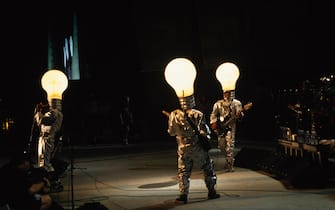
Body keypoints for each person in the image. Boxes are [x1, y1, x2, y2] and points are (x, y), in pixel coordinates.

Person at [0, 151, 65, 210]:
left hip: (14, 200)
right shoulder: (17, 174)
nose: (29, 165)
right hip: (13, 204)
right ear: (24, 163)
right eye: (28, 162)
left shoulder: (7, 169)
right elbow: (31, 190)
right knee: (47, 200)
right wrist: (43, 182)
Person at [32, 101, 64, 192]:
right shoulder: (52, 113)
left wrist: (38, 113)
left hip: (47, 138)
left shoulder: (54, 113)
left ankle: (53, 182)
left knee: (45, 163)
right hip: (45, 138)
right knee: (43, 162)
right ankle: (50, 182)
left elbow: (42, 121)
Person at [210, 90, 244, 172]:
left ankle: (230, 164)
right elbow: (213, 114)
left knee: (230, 145)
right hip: (221, 127)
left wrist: (240, 115)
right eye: (226, 92)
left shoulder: (237, 103)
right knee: (221, 146)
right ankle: (227, 159)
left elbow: (240, 116)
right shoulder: (218, 103)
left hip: (231, 126)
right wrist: (213, 122)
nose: (227, 94)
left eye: (229, 92)